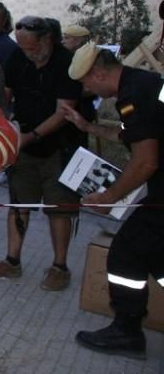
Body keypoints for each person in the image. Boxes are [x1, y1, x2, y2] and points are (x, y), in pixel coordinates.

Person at [65, 43, 163, 360]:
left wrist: (110, 196)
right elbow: (137, 135)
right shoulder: (144, 83)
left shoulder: (132, 94)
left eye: (86, 82)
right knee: (156, 254)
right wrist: (89, 127)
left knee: (126, 254)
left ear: (99, 72)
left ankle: (127, 332)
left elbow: (146, 161)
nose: (86, 88)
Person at [0, 15, 83, 292]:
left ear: (48, 39)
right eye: (23, 48)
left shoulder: (67, 64)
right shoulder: (18, 58)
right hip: (22, 142)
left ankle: (60, 267)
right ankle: (12, 261)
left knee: (58, 207)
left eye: (33, 48)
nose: (29, 53)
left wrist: (32, 136)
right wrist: (0, 124)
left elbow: (64, 111)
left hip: (61, 146)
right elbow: (7, 95)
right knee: (18, 203)